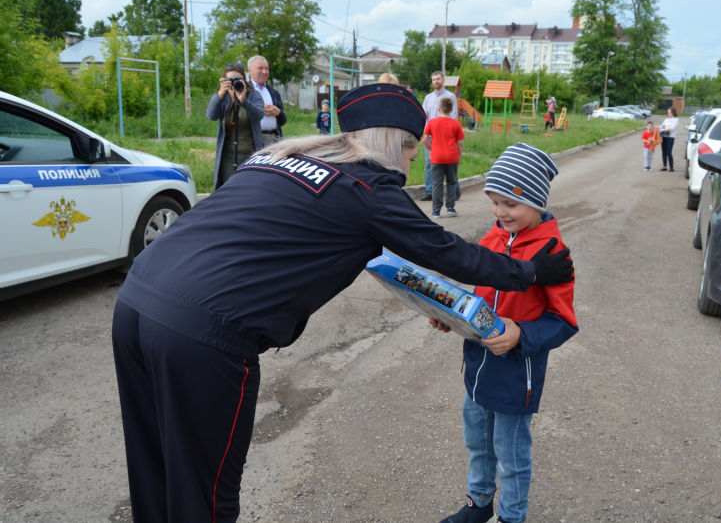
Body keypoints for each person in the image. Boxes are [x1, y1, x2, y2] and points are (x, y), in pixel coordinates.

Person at [111, 84, 575, 523]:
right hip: (200, 336)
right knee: (204, 492)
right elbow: (449, 253)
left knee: (153, 467)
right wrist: (531, 273)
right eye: (413, 149)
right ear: (394, 143)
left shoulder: (281, 156)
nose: (414, 162)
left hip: (135, 301)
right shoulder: (370, 189)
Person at [432, 143, 579, 523]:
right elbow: (479, 297)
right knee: (478, 442)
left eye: (509, 204)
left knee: (511, 454)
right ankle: (478, 504)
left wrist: (521, 335)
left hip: (517, 374)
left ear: (534, 200)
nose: (500, 212)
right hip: (478, 366)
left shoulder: (553, 253)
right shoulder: (493, 238)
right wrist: (450, 314)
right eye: (494, 202)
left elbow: (563, 321)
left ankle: (511, 517)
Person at [206, 62, 265, 190]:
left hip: (250, 155)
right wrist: (220, 94)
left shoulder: (253, 95)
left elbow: (259, 114)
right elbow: (211, 115)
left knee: (250, 190)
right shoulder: (224, 98)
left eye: (237, 79)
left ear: (244, 79)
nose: (234, 83)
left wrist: (243, 101)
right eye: (230, 80)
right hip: (228, 156)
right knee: (229, 191)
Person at [422, 96, 464, 218]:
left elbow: (424, 140)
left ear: (439, 109)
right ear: (451, 109)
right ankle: (450, 208)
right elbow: (460, 143)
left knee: (436, 184)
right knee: (451, 182)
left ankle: (436, 211)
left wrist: (431, 149)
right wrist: (459, 155)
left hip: (436, 157)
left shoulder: (432, 123)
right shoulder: (456, 124)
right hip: (452, 157)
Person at [422, 70, 459, 201]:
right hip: (431, 137)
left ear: (443, 80)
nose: (436, 81)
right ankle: (430, 191)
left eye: (438, 79)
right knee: (428, 164)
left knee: (450, 164)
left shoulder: (450, 97)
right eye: (433, 79)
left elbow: (453, 117)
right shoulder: (428, 98)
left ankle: (455, 190)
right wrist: (427, 131)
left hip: (446, 137)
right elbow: (424, 116)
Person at [247, 55, 287, 148]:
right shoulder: (245, 91)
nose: (265, 72)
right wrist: (258, 110)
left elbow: (283, 120)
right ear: (250, 70)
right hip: (252, 140)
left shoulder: (274, 92)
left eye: (266, 68)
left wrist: (278, 112)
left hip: (274, 139)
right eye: (260, 68)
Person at [659, 106, 679, 172]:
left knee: (669, 152)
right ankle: (664, 166)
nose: (669, 114)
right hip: (664, 136)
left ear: (673, 112)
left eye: (670, 112)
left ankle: (671, 167)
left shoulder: (676, 119)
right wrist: (659, 129)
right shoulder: (666, 119)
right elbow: (661, 126)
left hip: (670, 138)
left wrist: (663, 129)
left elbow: (672, 128)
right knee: (663, 152)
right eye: (668, 112)